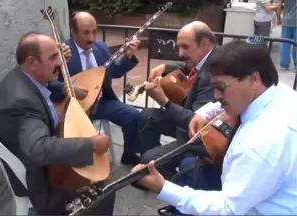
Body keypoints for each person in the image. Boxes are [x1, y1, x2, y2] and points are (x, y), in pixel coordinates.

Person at [132, 39, 297, 215]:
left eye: (221, 88)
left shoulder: (262, 142)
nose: (216, 96)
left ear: (254, 79)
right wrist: (205, 112)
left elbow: (228, 209)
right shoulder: (278, 92)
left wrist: (163, 187)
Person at [0, 32, 115, 215]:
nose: (61, 62)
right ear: (32, 63)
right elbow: (38, 149)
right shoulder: (22, 102)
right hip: (42, 182)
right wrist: (90, 145)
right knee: (105, 191)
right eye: (53, 57)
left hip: (38, 165)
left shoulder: (23, 78)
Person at [47, 11, 142, 165]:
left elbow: (114, 73)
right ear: (73, 32)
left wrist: (128, 56)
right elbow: (49, 85)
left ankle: (129, 154)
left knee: (134, 116)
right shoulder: (62, 51)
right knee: (78, 140)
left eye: (94, 32)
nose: (91, 38)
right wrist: (66, 88)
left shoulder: (101, 47)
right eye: (85, 33)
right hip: (75, 107)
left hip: (102, 101)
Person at [137, 21, 218, 181]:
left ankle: (177, 182)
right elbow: (190, 66)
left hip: (199, 136)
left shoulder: (214, 74)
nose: (180, 53)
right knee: (146, 116)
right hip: (185, 122)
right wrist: (166, 67)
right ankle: (158, 163)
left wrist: (164, 101)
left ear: (204, 44)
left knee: (147, 160)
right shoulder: (208, 56)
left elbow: (196, 123)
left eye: (185, 47)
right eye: (179, 47)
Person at [276, 0, 297, 72]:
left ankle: (284, 65)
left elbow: (278, 6)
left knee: (285, 44)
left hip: (287, 21)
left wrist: (278, 18)